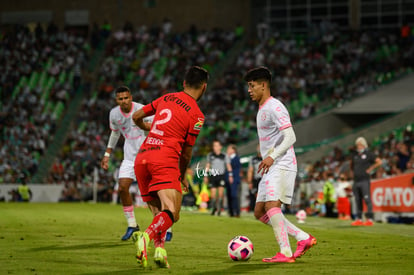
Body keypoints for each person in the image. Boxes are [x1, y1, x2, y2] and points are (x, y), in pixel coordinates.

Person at [132, 66, 208, 268]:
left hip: (142, 158)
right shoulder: (197, 115)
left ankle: (160, 251)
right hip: (164, 159)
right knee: (173, 213)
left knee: (159, 213)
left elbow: (136, 116)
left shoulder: (166, 98)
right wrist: (182, 175)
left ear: (184, 83)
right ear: (204, 87)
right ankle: (145, 238)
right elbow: (186, 153)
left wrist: (149, 128)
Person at [244, 67, 316, 263]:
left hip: (281, 162)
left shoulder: (274, 106)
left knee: (271, 205)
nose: (249, 90)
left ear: (263, 85)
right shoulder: (261, 109)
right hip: (271, 164)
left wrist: (272, 156)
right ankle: (303, 238)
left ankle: (285, 253)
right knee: (260, 212)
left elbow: (290, 136)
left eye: (252, 86)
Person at [100, 86, 149, 241]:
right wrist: (107, 154)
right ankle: (132, 225)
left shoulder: (142, 109)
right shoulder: (114, 114)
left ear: (131, 97)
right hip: (129, 157)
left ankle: (166, 227)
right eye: (120, 99)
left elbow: (153, 129)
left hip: (146, 155)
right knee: (122, 188)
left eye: (126, 98)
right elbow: (115, 133)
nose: (123, 101)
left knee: (154, 193)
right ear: (117, 100)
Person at [350, 137, 382, 226]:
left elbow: (379, 162)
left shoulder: (369, 154)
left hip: (364, 180)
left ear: (364, 145)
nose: (359, 146)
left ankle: (370, 219)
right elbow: (351, 166)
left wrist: (371, 169)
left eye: (360, 145)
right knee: (358, 200)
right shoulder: (355, 155)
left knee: (367, 199)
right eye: (357, 145)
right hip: (356, 181)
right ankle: (359, 219)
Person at [204, 140, 231, 216]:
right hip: (213, 176)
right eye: (214, 146)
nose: (215, 147)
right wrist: (205, 175)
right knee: (212, 195)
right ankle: (214, 208)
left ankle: (219, 209)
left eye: (216, 145)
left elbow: (228, 166)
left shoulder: (224, 155)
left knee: (220, 194)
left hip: (221, 176)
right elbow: (208, 166)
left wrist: (230, 175)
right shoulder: (210, 155)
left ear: (220, 147)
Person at [226, 144, 241, 217]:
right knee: (229, 195)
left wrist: (232, 176)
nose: (227, 150)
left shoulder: (236, 158)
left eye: (229, 149)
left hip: (234, 179)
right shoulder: (227, 158)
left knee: (234, 196)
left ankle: (236, 212)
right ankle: (231, 212)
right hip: (228, 179)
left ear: (233, 150)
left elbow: (236, 170)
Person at [247, 144, 262, 212]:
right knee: (257, 196)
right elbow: (250, 170)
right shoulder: (253, 159)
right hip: (257, 179)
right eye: (258, 147)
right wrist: (249, 182)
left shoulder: (268, 158)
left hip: (266, 179)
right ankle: (259, 210)